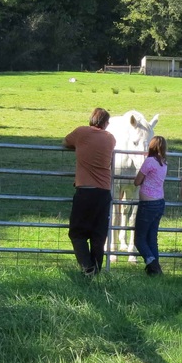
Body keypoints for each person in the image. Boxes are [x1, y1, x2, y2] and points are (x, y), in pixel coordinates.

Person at [63, 107, 116, 276]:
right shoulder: (110, 139)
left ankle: (87, 267)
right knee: (98, 234)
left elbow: (66, 142)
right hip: (104, 192)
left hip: (85, 190)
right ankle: (96, 271)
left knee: (77, 233)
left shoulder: (81, 133)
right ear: (105, 123)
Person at [133, 135, 168, 276]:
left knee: (139, 239)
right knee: (152, 238)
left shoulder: (149, 162)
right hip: (160, 202)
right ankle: (154, 271)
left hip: (148, 204)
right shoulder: (164, 163)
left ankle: (153, 264)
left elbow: (137, 181)